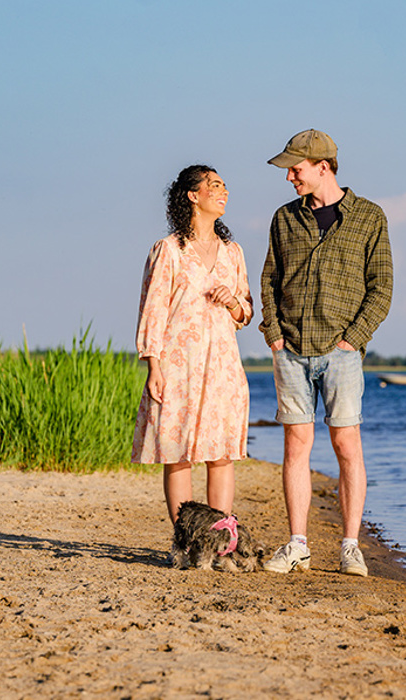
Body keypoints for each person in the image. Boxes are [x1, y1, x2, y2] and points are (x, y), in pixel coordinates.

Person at [258, 129, 394, 577]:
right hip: (290, 349)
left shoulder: (370, 218)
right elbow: (269, 279)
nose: (289, 177)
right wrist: (274, 335)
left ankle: (350, 546)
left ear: (323, 167)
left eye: (295, 169)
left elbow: (382, 289)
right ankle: (298, 544)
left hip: (342, 352)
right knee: (296, 445)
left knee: (346, 445)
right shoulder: (284, 219)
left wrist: (353, 338)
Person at [131, 165, 253, 528]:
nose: (223, 191)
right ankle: (186, 538)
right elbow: (152, 309)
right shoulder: (168, 250)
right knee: (177, 453)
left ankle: (219, 537)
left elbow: (245, 311)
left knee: (222, 453)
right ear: (192, 195)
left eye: (224, 186)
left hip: (223, 365)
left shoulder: (233, 252)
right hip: (178, 364)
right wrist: (153, 365)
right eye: (214, 185)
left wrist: (232, 301)